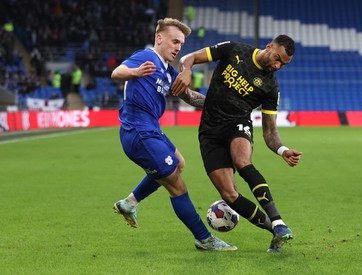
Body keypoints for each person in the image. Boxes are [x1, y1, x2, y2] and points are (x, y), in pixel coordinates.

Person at [110, 18, 236, 252]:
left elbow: (189, 97)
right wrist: (135, 72)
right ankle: (204, 239)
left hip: (151, 130)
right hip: (139, 132)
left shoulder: (167, 71)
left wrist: (221, 104)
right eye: (174, 41)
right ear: (159, 38)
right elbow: (117, 72)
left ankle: (129, 203)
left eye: (181, 43)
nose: (178, 47)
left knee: (179, 163)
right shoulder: (146, 57)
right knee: (177, 186)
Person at [171, 35, 303, 253]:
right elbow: (189, 57)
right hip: (209, 131)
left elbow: (270, 132)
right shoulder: (234, 50)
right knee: (229, 195)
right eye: (277, 58)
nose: (277, 65)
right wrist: (185, 71)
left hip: (237, 123)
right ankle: (276, 232)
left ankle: (278, 221)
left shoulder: (270, 87)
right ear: (269, 46)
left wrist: (282, 150)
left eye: (283, 64)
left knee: (242, 161)